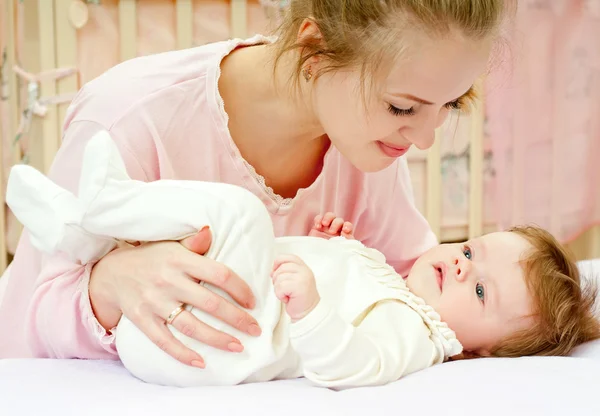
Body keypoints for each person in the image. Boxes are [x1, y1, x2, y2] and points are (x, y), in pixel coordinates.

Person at [0, 0, 512, 364]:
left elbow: (412, 285)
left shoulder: (369, 138)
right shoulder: (130, 119)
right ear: (315, 50)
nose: (425, 139)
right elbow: (21, 329)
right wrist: (106, 287)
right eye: (403, 107)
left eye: (452, 104)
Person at [7, 132, 600, 389]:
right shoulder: (393, 282)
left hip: (217, 349)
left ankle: (108, 205)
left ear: (479, 351)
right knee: (210, 234)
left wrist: (313, 309)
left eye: (480, 294)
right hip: (195, 323)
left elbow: (358, 363)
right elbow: (326, 276)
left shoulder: (418, 333)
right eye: (471, 250)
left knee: (239, 214)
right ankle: (82, 232)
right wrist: (332, 243)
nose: (463, 267)